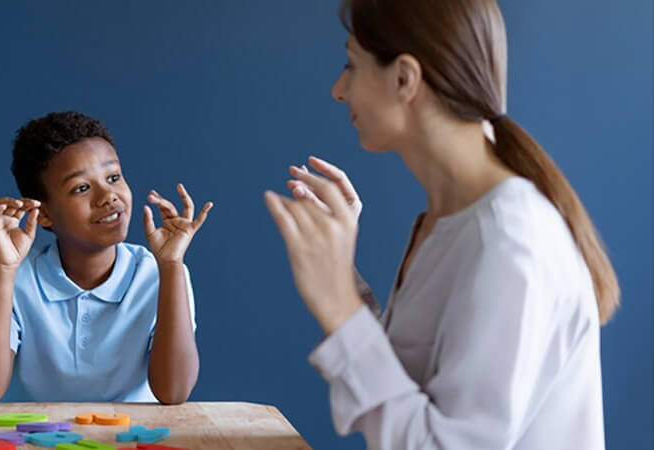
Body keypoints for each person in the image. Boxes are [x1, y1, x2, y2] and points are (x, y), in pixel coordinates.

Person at [264, 0, 619, 448]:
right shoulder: (453, 221)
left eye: (351, 65)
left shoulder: (508, 243)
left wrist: (339, 308)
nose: (339, 89)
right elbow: (410, 388)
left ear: (404, 79)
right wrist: (342, 278)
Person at [0, 111, 212, 406]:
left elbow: (174, 392)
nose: (108, 196)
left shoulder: (158, 272)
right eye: (81, 188)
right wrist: (3, 268)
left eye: (113, 177)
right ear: (44, 214)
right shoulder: (13, 276)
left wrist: (171, 267)